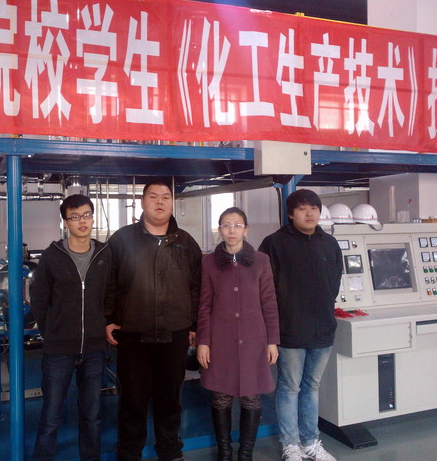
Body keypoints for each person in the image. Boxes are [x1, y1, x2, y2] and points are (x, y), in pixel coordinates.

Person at [105, 180, 202, 461]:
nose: (160, 202)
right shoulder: (122, 239)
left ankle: (170, 451)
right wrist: (109, 318)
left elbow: (196, 287)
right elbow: (109, 283)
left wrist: (194, 324)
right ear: (142, 202)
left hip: (175, 333)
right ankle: (129, 453)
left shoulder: (186, 242)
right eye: (153, 196)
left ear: (172, 203)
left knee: (169, 399)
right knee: (132, 400)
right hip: (133, 333)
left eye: (166, 197)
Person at [259, 190, 343, 461]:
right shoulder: (274, 243)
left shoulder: (329, 243)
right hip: (290, 329)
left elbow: (334, 283)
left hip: (323, 328)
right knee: (289, 387)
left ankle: (310, 442)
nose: (309, 214)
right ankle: (290, 445)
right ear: (290, 213)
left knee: (311, 387)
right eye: (303, 209)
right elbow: (264, 288)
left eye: (314, 209)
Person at [30, 194, 111, 461]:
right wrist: (51, 332)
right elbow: (39, 299)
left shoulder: (104, 254)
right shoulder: (53, 256)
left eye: (86, 215)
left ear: (93, 218)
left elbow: (112, 295)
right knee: (51, 414)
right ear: (66, 222)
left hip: (95, 348)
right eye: (75, 217)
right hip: (59, 350)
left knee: (92, 414)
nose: (82, 221)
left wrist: (104, 326)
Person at [197, 207, 280, 461]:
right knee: (221, 396)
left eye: (237, 225)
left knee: (251, 397)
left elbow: (269, 302)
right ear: (220, 230)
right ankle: (224, 452)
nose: (231, 230)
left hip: (254, 339)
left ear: (246, 229)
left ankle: (246, 453)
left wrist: (272, 341)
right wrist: (203, 341)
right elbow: (204, 305)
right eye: (226, 225)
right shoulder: (208, 262)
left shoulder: (261, 260)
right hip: (220, 339)